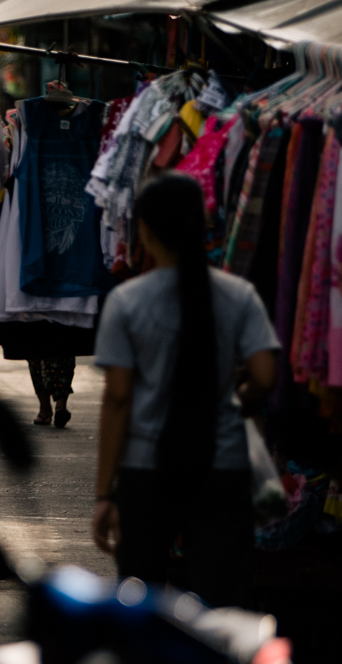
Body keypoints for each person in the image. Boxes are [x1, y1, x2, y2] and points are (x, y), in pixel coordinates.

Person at [91, 172, 278, 607]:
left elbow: (118, 398)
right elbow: (265, 377)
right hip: (223, 466)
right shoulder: (239, 295)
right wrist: (240, 396)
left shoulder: (127, 302)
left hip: (146, 470)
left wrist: (105, 493)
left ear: (147, 232)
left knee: (143, 599)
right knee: (219, 603)